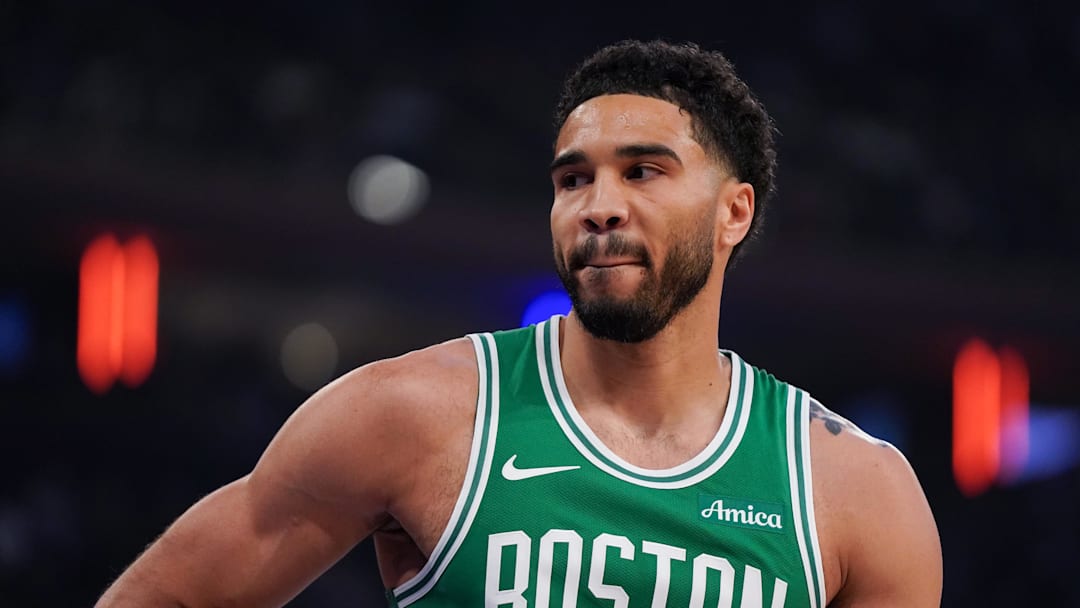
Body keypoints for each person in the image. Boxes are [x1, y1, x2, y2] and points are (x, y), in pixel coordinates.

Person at [97, 40, 942, 607]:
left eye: (643, 171)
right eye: (573, 180)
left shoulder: (854, 493)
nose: (598, 207)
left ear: (734, 213)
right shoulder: (413, 414)